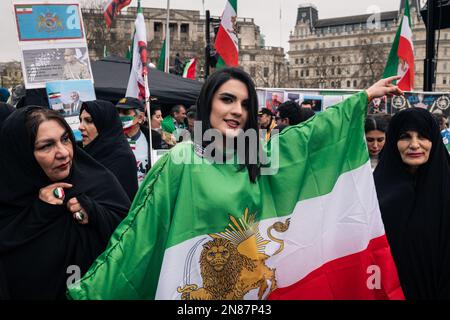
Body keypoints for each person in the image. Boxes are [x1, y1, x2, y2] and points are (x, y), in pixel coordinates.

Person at [67, 69, 403, 300]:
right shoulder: (181, 158)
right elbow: (140, 233)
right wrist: (94, 289)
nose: (237, 110)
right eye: (227, 99)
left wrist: (362, 98)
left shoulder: (258, 156)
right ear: (209, 102)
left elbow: (308, 141)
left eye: (245, 104)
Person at [0, 107, 130, 299]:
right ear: (23, 154)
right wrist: (39, 213)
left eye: (65, 139)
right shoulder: (9, 199)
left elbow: (132, 234)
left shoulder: (99, 180)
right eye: (46, 146)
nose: (63, 153)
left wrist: (95, 213)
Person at [374, 107, 450, 299]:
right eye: (405, 137)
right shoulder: (374, 192)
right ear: (393, 142)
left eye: (423, 137)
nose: (414, 145)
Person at [79, 100, 138, 201]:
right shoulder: (84, 153)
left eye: (89, 121)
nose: (80, 127)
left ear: (105, 124)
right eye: (80, 120)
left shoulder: (122, 158)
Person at [116, 97, 151, 185]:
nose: (120, 116)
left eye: (125, 113)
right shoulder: (110, 140)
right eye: (118, 112)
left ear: (140, 117)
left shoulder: (153, 140)